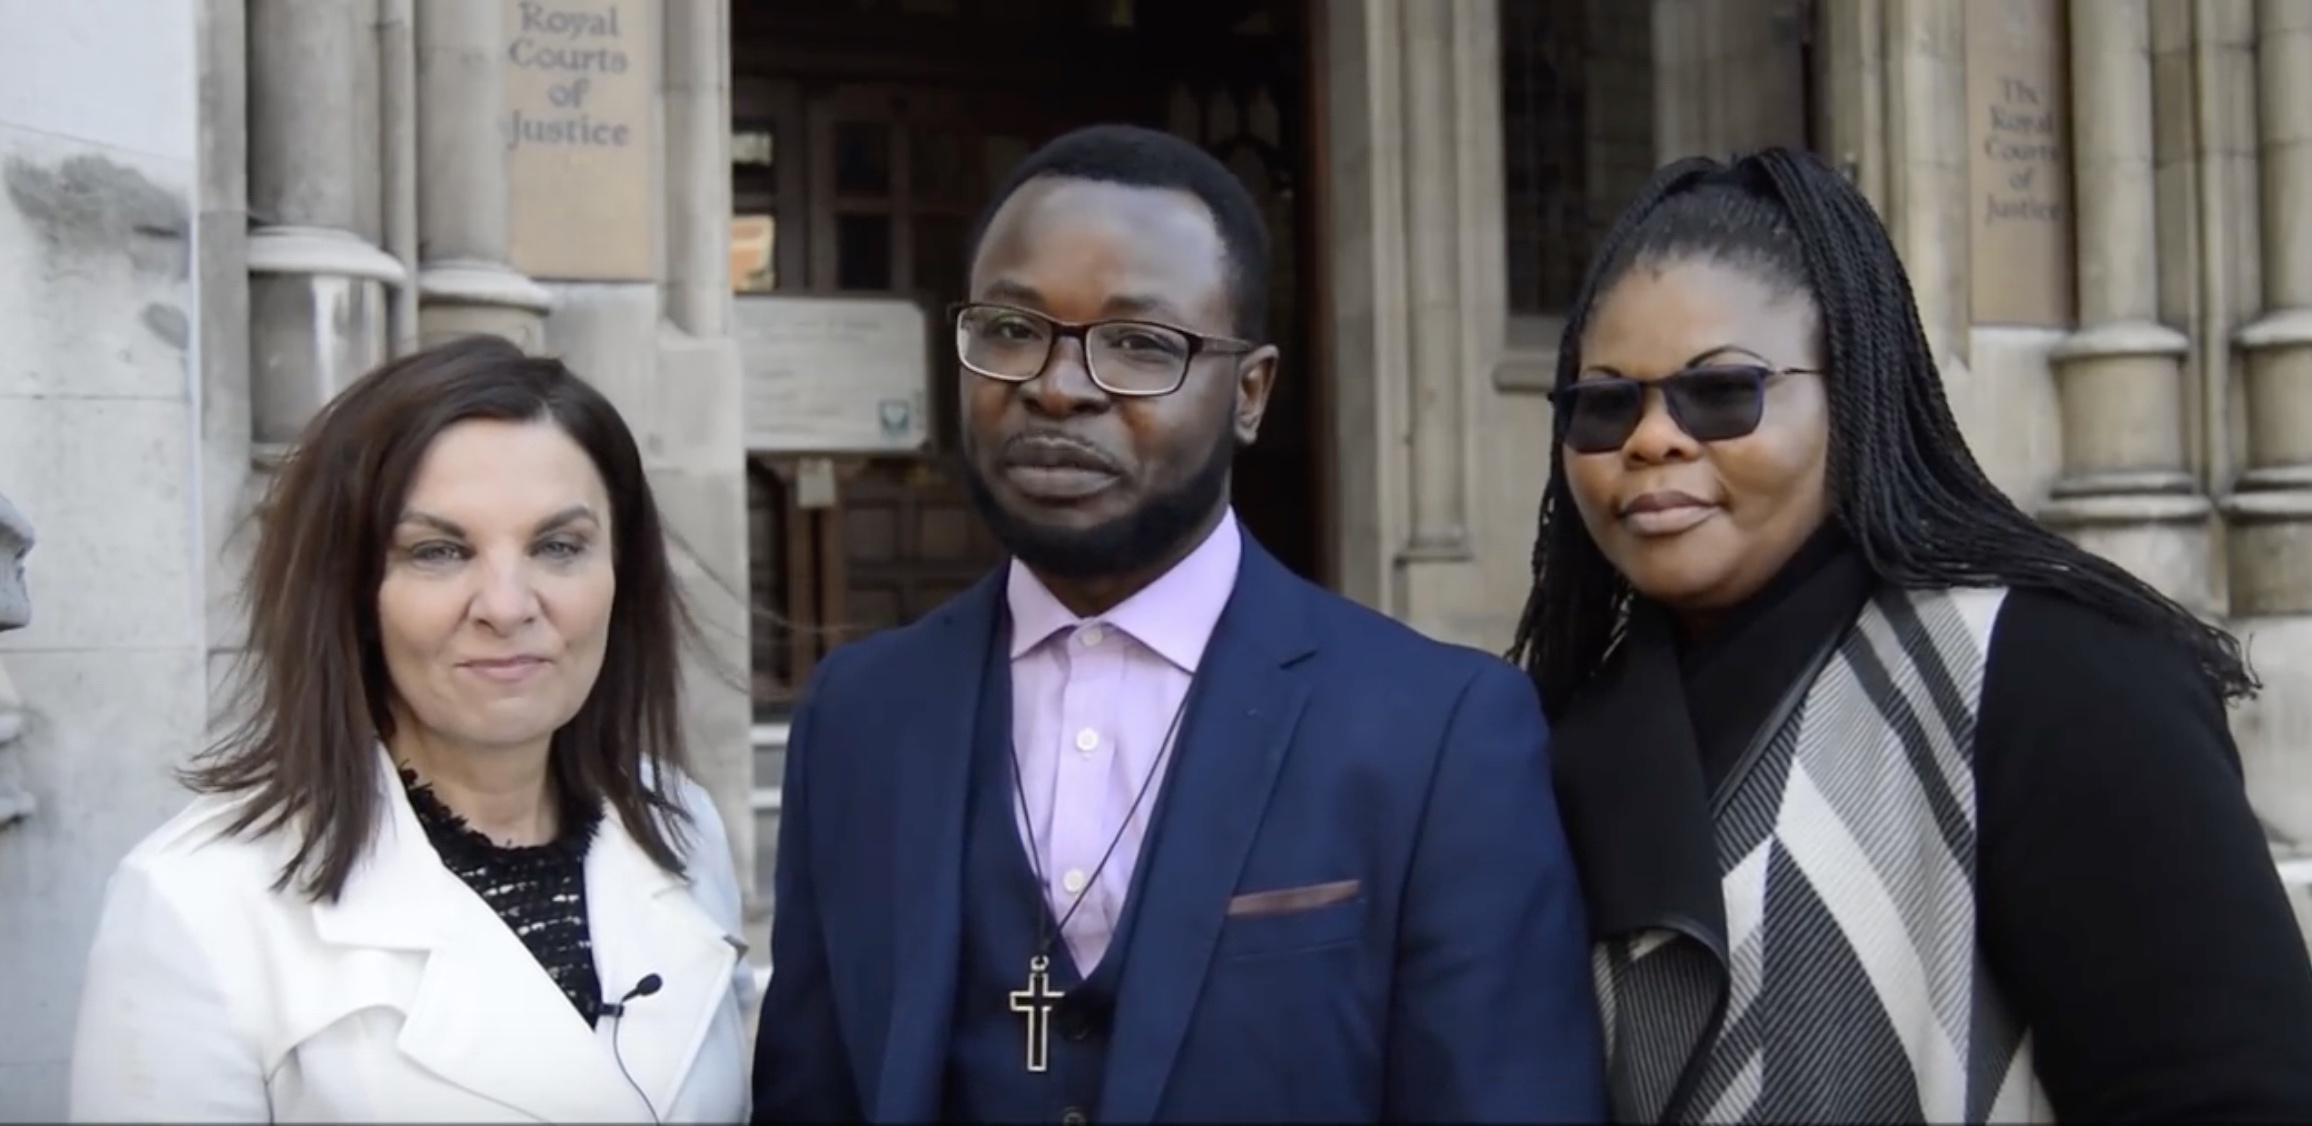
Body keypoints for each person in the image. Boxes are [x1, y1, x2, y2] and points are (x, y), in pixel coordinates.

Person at [750, 124, 1605, 1123]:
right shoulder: (857, 716)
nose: (1055, 384)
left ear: (1249, 392)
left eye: (1136, 344)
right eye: (1010, 328)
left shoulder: (1438, 734)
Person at [1510, 148, 2312, 1123]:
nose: (1650, 438)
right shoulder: (1558, 733)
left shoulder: (2046, 678)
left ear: (1850, 396)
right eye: (1602, 406)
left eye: (1719, 392)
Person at [69, 336, 755, 1123]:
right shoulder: (196, 904)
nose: (506, 605)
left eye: (558, 546)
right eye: (438, 551)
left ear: (619, 574)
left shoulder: (680, 828)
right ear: (353, 592)